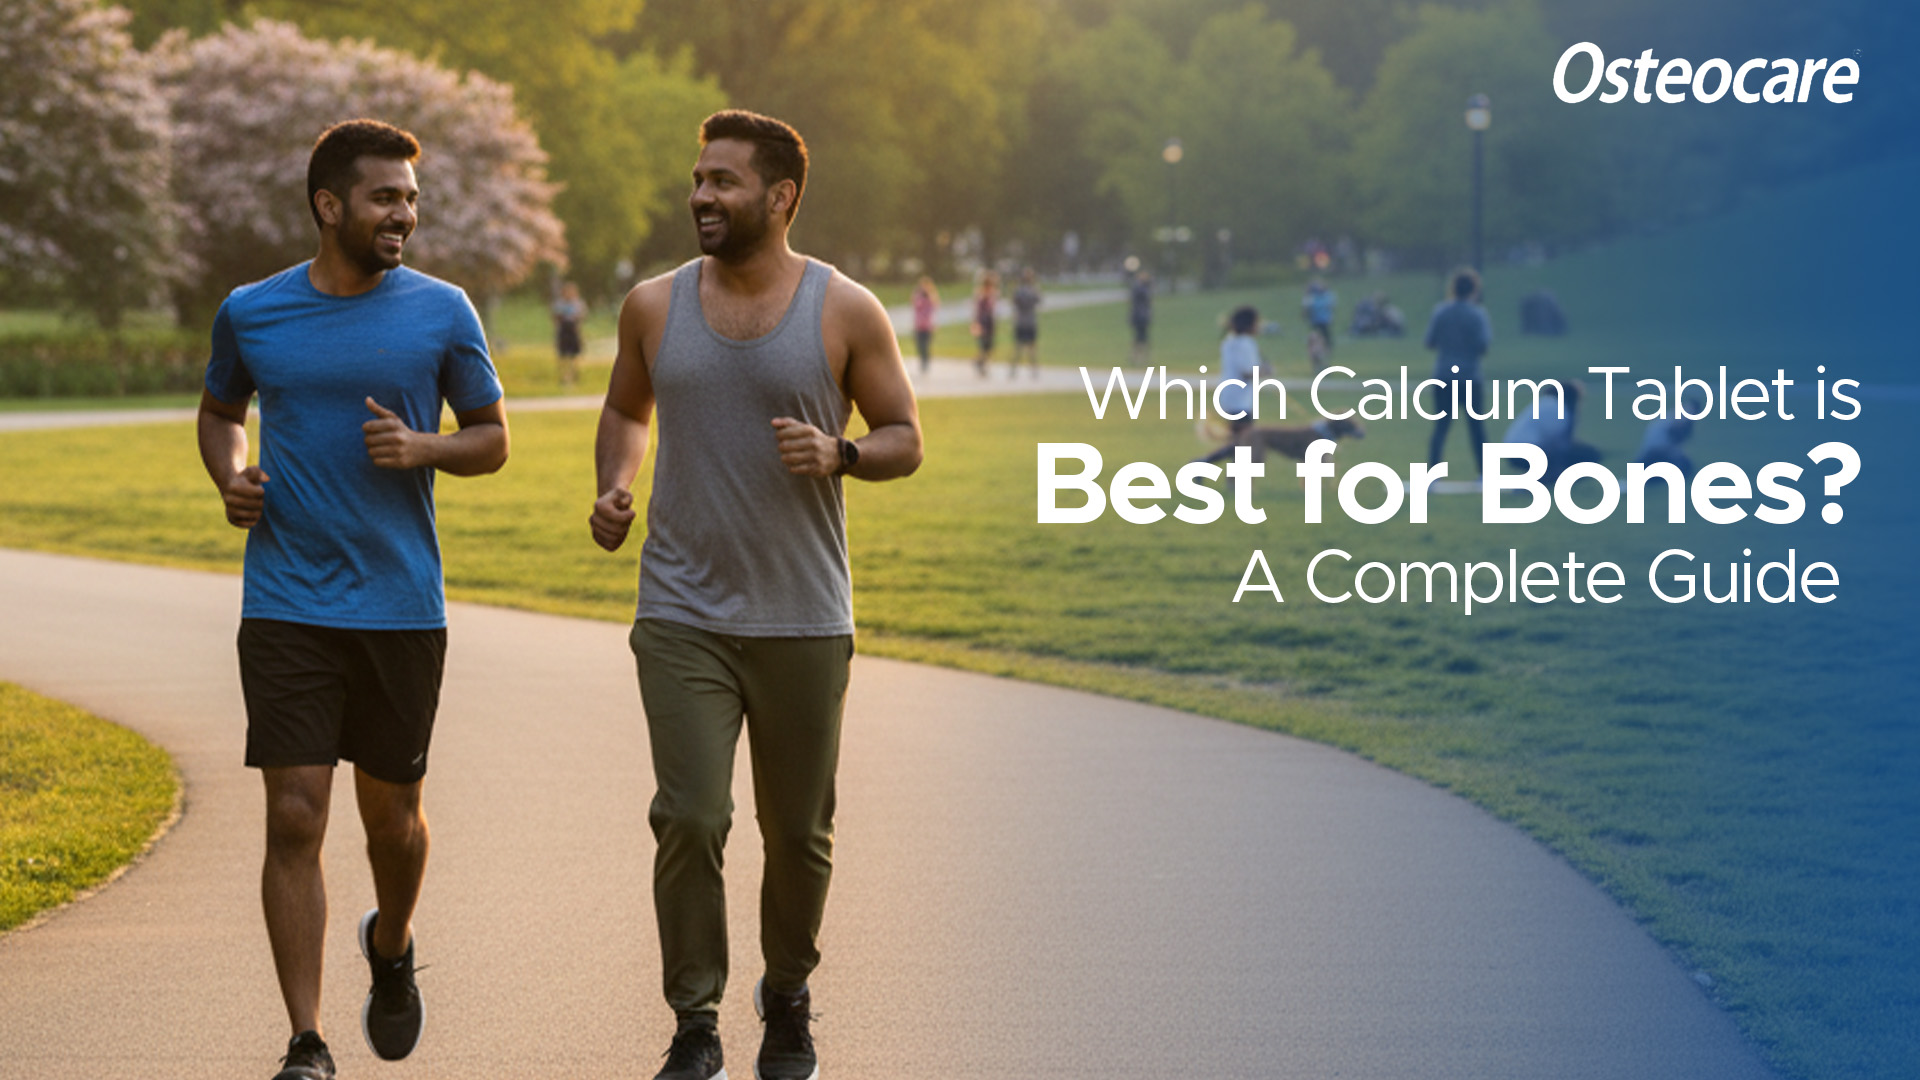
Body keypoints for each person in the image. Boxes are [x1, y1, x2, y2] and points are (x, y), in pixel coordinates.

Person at [588, 109, 922, 1080]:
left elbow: (905, 437)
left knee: (799, 834)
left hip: (802, 615)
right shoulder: (652, 305)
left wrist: (842, 453)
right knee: (691, 816)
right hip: (681, 609)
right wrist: (614, 483)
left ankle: (787, 994)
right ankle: (695, 1023)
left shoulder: (844, 308)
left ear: (780, 197)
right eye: (699, 179)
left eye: (723, 181)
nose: (702, 195)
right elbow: (625, 406)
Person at [196, 119, 509, 1080]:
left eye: (411, 198)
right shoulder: (252, 312)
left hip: (399, 605)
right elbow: (221, 412)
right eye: (385, 198)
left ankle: (392, 942)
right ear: (329, 206)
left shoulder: (443, 311)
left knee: (393, 823)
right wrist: (232, 476)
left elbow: (492, 437)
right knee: (295, 814)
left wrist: (425, 448)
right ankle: (306, 1040)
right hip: (286, 600)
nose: (404, 214)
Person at [1424, 268, 1494, 478]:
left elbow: (1429, 342)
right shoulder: (1478, 314)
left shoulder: (1441, 312)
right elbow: (1483, 346)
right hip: (1470, 376)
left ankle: (1433, 471)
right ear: (1474, 289)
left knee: (1441, 427)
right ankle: (1484, 473)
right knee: (1476, 427)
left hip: (1444, 375)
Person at [1196, 305, 1263, 464]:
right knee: (1244, 442)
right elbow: (1247, 371)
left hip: (1229, 396)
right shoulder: (1246, 343)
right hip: (1240, 400)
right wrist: (1265, 371)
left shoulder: (1229, 342)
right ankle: (1202, 463)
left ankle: (1208, 465)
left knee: (1240, 441)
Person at [1501, 380, 1600, 484]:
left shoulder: (1547, 402)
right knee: (1586, 456)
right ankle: (1545, 481)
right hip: (1524, 451)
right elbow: (1558, 443)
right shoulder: (1558, 408)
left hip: (1515, 450)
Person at [551, 280, 588, 388]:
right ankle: (564, 376)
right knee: (563, 355)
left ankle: (574, 374)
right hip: (563, 330)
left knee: (574, 355)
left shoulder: (578, 303)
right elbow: (555, 317)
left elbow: (582, 316)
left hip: (573, 330)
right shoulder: (560, 304)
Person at [1009, 266, 1042, 379]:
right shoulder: (1033, 290)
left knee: (1019, 348)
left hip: (1021, 322)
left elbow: (1013, 302)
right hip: (1029, 322)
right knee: (1030, 348)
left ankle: (1014, 371)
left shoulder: (1018, 290)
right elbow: (1039, 301)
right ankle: (1033, 371)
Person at [971, 269, 998, 377]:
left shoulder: (992, 294)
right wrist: (976, 323)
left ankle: (980, 363)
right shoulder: (981, 294)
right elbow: (977, 310)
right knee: (983, 346)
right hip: (983, 322)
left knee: (989, 347)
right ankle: (981, 365)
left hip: (990, 322)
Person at [910, 275, 939, 374]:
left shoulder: (931, 297)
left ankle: (926, 361)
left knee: (926, 345)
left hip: (928, 325)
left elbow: (936, 307)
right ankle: (922, 360)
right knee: (920, 345)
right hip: (919, 325)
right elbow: (913, 303)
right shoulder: (918, 297)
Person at [1302, 276, 1337, 350]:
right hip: (1315, 319)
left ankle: (1326, 348)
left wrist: (1331, 317)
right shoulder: (1312, 296)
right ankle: (1317, 349)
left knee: (1325, 335)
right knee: (1316, 335)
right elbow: (1307, 308)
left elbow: (1331, 307)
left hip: (1324, 319)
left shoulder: (1327, 295)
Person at [1128, 269, 1153, 366]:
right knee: (1140, 338)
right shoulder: (1139, 288)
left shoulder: (1143, 288)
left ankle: (1140, 357)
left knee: (1142, 338)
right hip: (1139, 317)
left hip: (1142, 316)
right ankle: (1138, 357)